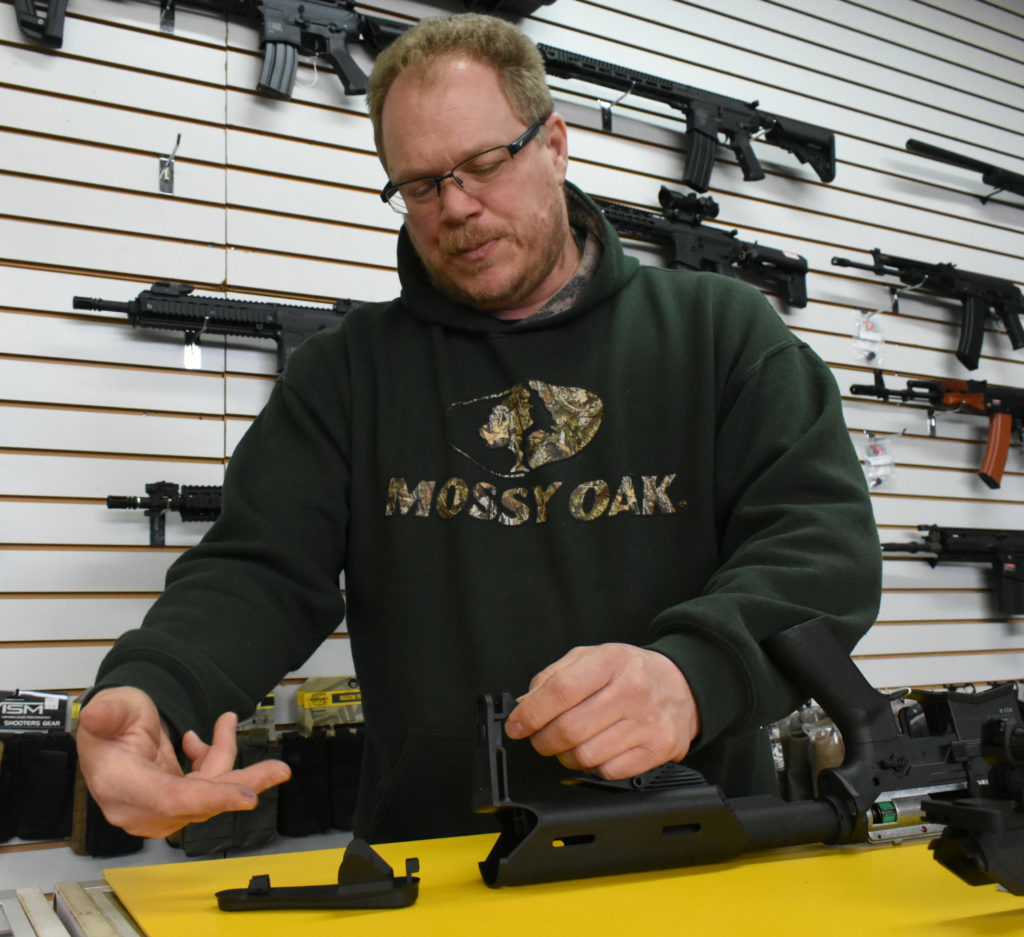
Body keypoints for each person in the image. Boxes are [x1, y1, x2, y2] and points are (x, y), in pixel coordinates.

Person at [76, 13, 882, 844]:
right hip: (439, 860)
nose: (456, 206)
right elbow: (259, 570)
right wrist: (153, 689)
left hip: (697, 840)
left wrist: (693, 675)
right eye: (420, 184)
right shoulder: (346, 373)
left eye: (484, 164)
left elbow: (822, 550)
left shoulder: (722, 335)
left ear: (556, 145)